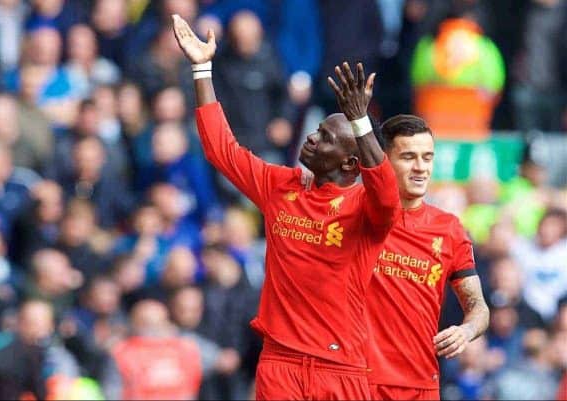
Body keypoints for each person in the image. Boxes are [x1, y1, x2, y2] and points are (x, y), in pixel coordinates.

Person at [172, 14, 400, 400]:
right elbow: (221, 150)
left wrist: (361, 122)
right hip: (281, 363)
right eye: (316, 130)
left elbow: (387, 194)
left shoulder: (366, 208)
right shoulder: (281, 187)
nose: (310, 138)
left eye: (325, 138)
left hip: (340, 367)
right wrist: (201, 68)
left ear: (350, 163)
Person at [363, 115, 490, 400]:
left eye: (427, 157)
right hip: (360, 380)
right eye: (408, 157)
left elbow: (479, 309)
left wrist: (466, 331)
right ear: (384, 160)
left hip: (421, 383)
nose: (421, 167)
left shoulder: (450, 229)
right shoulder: (359, 214)